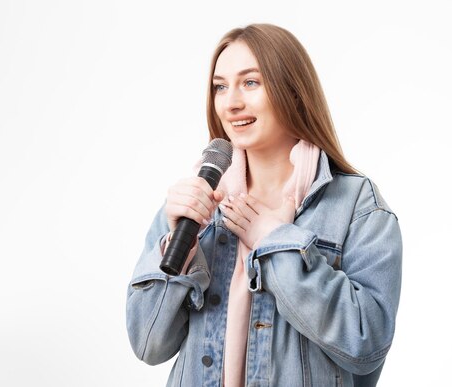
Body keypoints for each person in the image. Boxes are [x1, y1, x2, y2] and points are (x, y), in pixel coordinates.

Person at [126, 23, 402, 387]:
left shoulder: (357, 207)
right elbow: (148, 345)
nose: (231, 102)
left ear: (293, 90)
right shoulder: (194, 207)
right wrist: (181, 245)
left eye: (250, 82)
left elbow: (365, 344)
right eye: (220, 87)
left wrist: (274, 241)